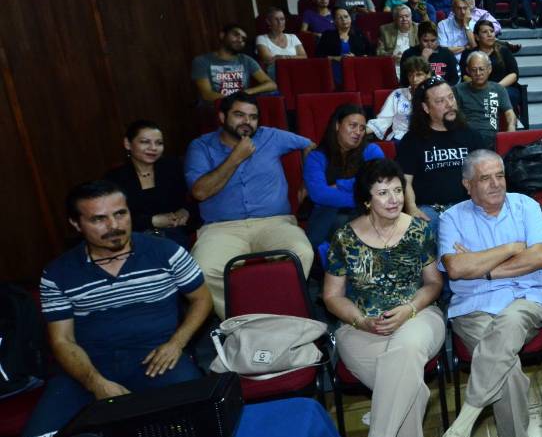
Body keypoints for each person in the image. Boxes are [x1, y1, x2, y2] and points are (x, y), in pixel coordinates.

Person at [24, 180, 212, 436]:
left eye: (120, 214)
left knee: (200, 425)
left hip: (156, 357)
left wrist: (176, 344)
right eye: (99, 219)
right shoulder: (58, 273)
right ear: (76, 224)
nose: (114, 226)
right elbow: (62, 340)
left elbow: (202, 299)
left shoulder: (167, 252)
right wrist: (96, 383)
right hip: (87, 366)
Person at [426, 150, 542, 437]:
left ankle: (459, 432)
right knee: (509, 377)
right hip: (474, 310)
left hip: (524, 302)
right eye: (485, 178)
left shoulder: (526, 206)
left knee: (509, 323)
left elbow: (539, 257)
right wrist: (511, 249)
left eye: (500, 175)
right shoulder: (452, 217)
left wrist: (485, 267)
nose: (496, 184)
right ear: (468, 185)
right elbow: (456, 269)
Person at [323, 159, 446, 437]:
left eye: (397, 190)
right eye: (382, 192)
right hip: (361, 329)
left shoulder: (420, 230)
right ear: (366, 199)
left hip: (418, 318)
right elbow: (331, 296)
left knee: (406, 350)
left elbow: (434, 284)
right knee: (410, 388)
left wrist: (408, 309)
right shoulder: (344, 237)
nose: (393, 199)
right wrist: (361, 320)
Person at [185, 92, 316, 318]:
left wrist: (307, 182)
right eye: (239, 115)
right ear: (222, 117)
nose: (247, 121)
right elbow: (200, 192)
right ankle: (243, 320)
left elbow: (310, 145)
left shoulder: (271, 136)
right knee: (204, 268)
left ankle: (278, 313)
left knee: (301, 252)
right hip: (222, 228)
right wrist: (236, 157)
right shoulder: (201, 146)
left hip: (274, 223)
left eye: (253, 117)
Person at [396, 77, 488, 233]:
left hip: (467, 207)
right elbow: (405, 181)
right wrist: (411, 208)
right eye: (440, 101)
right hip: (430, 210)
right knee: (417, 231)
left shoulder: (472, 135)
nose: (449, 104)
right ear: (426, 108)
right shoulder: (412, 140)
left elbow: (485, 174)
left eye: (451, 97)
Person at [303, 104, 385, 252]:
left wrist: (341, 185)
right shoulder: (317, 157)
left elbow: (379, 181)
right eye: (353, 126)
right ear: (337, 125)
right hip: (327, 216)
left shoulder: (371, 151)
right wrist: (363, 197)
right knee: (338, 221)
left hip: (365, 214)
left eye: (362, 128)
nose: (358, 132)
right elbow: (319, 194)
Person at [105, 120, 194, 248]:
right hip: (135, 238)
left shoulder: (173, 167)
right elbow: (114, 218)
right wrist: (152, 221)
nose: (153, 148)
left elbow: (194, 198)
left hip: (175, 235)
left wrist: (185, 211)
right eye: (145, 142)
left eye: (159, 143)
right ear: (127, 144)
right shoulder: (114, 178)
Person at [192, 24, 278, 102]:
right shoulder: (202, 61)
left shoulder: (246, 60)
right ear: (222, 35)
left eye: (243, 39)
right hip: (216, 106)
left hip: (242, 105)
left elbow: (271, 84)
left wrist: (245, 93)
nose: (240, 40)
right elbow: (207, 94)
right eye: (236, 35)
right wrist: (234, 99)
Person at [456, 52, 516, 146]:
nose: (478, 73)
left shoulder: (499, 89)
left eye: (481, 69)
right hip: (467, 139)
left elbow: (509, 113)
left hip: (493, 140)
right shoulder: (457, 90)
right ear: (468, 70)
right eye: (474, 70)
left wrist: (511, 127)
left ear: (489, 69)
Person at [369, 56, 430, 144]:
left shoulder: (433, 95)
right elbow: (384, 120)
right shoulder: (398, 94)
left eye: (419, 75)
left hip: (426, 139)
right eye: (410, 75)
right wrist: (362, 131)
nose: (414, 79)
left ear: (427, 76)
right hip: (400, 138)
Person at [468, 21, 522, 118]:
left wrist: (495, 88)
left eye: (492, 31)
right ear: (477, 37)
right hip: (477, 89)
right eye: (485, 32)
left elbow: (514, 74)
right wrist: (480, 88)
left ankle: (500, 123)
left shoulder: (504, 51)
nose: (490, 34)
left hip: (503, 88)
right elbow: (465, 75)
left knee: (502, 95)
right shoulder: (470, 54)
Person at [317, 7, 370, 85]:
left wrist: (356, 57)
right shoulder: (327, 35)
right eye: (340, 18)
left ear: (350, 18)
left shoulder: (359, 34)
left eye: (346, 16)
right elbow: (319, 55)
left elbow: (369, 54)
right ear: (335, 21)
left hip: (357, 69)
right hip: (333, 70)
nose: (344, 20)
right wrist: (336, 58)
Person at [400, 21, 460, 85]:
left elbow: (456, 78)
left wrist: (445, 88)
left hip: (442, 89)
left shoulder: (447, 54)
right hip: (417, 89)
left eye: (433, 40)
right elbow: (405, 81)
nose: (429, 44)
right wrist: (423, 59)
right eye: (425, 41)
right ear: (419, 39)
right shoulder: (408, 54)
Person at [255, 6, 306, 79]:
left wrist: (282, 57)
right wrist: (293, 58)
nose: (280, 22)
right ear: (268, 21)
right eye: (276, 19)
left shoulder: (293, 37)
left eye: (282, 19)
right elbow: (268, 60)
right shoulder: (261, 38)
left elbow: (304, 56)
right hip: (277, 72)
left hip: (296, 70)